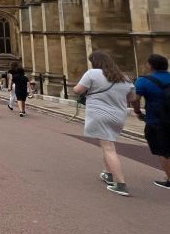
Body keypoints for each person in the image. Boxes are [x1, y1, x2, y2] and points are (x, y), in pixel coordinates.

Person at [72, 50, 136, 196]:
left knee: (109, 148)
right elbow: (132, 98)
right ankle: (108, 173)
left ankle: (120, 183)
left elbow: (77, 90)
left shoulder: (92, 74)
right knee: (108, 144)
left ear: (95, 62)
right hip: (118, 116)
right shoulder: (124, 78)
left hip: (99, 114)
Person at [132, 54, 170, 189]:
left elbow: (134, 99)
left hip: (157, 120)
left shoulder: (144, 81)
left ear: (150, 65)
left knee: (163, 151)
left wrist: (137, 111)